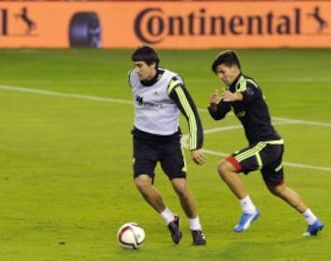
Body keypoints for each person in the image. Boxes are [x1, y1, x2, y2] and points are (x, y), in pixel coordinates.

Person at [208, 50, 324, 236]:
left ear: (235, 68)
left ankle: (249, 210)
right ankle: (313, 220)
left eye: (223, 72)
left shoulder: (246, 84)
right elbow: (218, 114)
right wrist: (214, 104)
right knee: (278, 188)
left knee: (224, 167)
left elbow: (250, 93)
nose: (221, 77)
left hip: (266, 144)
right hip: (273, 144)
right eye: (218, 74)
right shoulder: (231, 91)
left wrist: (236, 97)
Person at [128, 46, 207, 245]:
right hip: (143, 140)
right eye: (135, 66)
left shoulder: (172, 85)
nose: (137, 70)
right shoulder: (133, 78)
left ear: (153, 64)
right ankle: (170, 219)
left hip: (169, 141)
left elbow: (191, 114)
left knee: (180, 187)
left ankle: (196, 229)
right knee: (142, 183)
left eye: (140, 66)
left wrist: (195, 145)